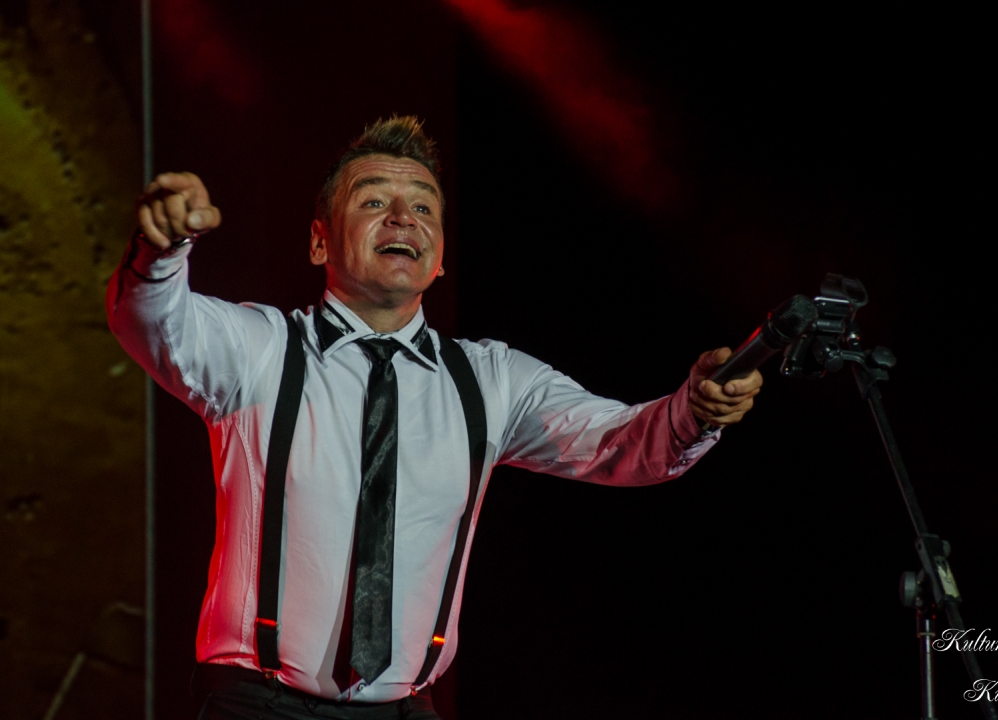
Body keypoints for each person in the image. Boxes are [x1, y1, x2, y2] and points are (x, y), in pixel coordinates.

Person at [107, 116, 762, 719]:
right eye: (373, 202)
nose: (402, 218)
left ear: (441, 254)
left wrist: (695, 410)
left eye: (422, 207)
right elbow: (154, 320)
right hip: (259, 707)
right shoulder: (261, 350)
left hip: (405, 710)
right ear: (318, 241)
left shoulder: (491, 380)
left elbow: (625, 441)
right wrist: (162, 250)